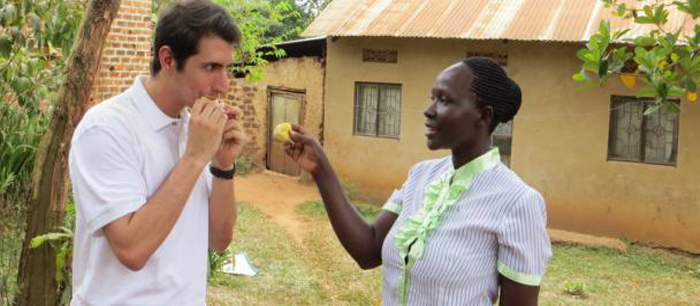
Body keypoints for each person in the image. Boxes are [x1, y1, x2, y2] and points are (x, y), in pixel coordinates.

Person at [285, 57, 552, 305]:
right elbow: (368, 249)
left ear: (484, 116)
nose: (428, 110)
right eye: (432, 98)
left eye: (445, 100)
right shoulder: (421, 176)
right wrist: (321, 169)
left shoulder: (518, 202)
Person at [68, 0, 246, 304]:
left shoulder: (193, 129)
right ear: (168, 59)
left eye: (227, 69)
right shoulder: (106, 128)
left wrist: (222, 164)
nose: (223, 86)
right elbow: (132, 249)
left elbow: (218, 240)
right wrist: (194, 157)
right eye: (211, 67)